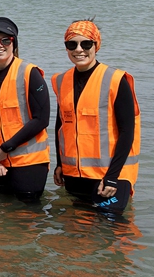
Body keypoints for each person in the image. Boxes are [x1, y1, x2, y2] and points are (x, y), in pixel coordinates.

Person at [51, 20, 140, 214]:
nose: (79, 49)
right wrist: (59, 164)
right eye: (72, 44)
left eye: (86, 44)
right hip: (74, 174)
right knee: (78, 228)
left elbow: (127, 133)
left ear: (96, 46)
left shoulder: (116, 80)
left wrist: (112, 177)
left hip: (111, 174)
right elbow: (61, 126)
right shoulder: (61, 81)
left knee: (111, 227)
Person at [0, 17, 51, 202]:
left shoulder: (30, 73)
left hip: (29, 162)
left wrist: (6, 148)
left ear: (14, 42)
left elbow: (42, 119)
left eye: (5, 40)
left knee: (26, 219)